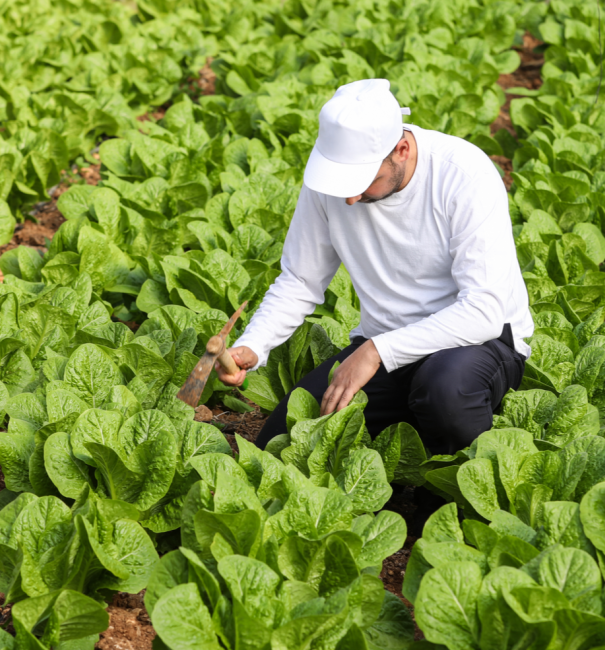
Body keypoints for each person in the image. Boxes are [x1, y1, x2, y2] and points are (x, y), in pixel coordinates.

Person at [216, 78, 533, 456]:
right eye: (341, 183)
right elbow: (301, 279)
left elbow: (484, 312)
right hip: (385, 343)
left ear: (401, 149)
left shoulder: (463, 174)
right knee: (283, 445)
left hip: (478, 344)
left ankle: (453, 493)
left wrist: (374, 352)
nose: (349, 197)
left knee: (443, 392)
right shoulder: (330, 180)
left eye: (365, 181)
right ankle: (409, 429)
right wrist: (254, 344)